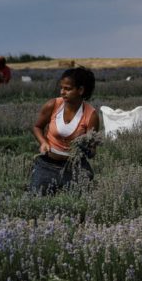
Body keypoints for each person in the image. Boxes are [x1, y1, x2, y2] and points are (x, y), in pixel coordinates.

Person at [30, 67, 100, 195]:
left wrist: (87, 149)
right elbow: (37, 127)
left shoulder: (91, 115)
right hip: (47, 165)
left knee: (79, 201)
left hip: (74, 167)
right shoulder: (53, 105)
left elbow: (92, 150)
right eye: (61, 88)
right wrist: (43, 143)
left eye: (67, 89)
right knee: (37, 197)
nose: (62, 92)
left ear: (80, 90)